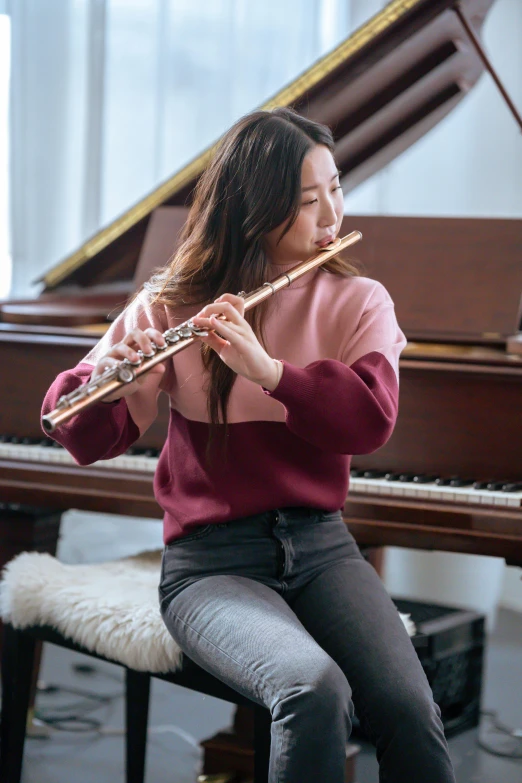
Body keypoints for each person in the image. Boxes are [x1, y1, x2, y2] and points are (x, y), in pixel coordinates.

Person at [42, 107, 456, 783]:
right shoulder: (169, 302)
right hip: (210, 564)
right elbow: (84, 437)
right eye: (307, 200)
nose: (332, 214)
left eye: (336, 189)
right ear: (255, 209)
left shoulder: (360, 301)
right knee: (311, 686)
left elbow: (370, 420)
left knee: (409, 706)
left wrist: (271, 374)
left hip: (322, 549)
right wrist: (119, 383)